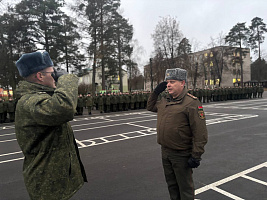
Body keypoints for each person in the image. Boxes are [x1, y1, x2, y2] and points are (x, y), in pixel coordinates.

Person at [15, 51, 87, 200]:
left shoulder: (42, 97)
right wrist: (66, 79)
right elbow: (64, 108)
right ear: (40, 76)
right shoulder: (30, 101)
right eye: (52, 73)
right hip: (46, 182)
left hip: (54, 179)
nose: (55, 76)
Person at [147, 68, 208, 200]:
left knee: (185, 188)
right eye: (167, 82)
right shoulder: (165, 101)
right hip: (165, 151)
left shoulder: (191, 103)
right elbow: (150, 106)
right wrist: (156, 92)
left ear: (182, 83)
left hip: (181, 154)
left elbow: (200, 132)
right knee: (172, 186)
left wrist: (196, 155)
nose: (168, 85)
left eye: (172, 82)